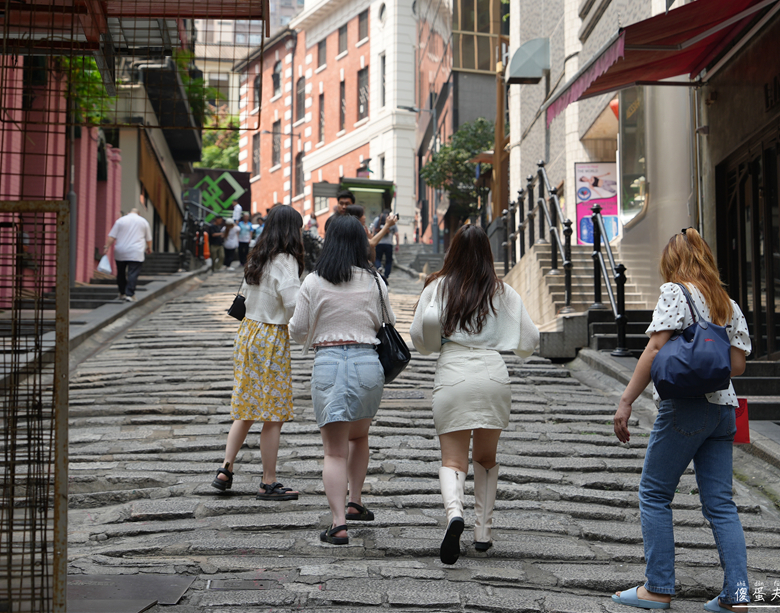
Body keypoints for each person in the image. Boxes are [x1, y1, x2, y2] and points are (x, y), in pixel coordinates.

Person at [610, 228, 751, 612]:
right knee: (721, 504)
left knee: (654, 494)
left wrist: (625, 402)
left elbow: (655, 348)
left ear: (672, 262)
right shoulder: (728, 305)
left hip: (685, 407)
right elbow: (736, 365)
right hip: (724, 411)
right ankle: (736, 595)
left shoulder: (676, 292)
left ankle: (657, 588)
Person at [409, 224, 538, 565]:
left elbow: (419, 339)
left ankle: (455, 514)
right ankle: (483, 532)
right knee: (486, 457)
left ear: (452, 252)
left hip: (453, 373)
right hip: (493, 374)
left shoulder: (437, 287)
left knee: (453, 460)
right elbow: (530, 341)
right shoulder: (502, 291)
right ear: (487, 253)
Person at [289, 215, 390, 545]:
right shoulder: (375, 281)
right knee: (359, 438)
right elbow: (387, 322)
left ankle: (338, 523)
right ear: (362, 242)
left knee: (333, 452)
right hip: (367, 364)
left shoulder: (314, 281)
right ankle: (356, 501)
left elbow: (298, 329)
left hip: (329, 364)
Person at [211, 205, 305, 501]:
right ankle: (268, 481)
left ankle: (225, 469)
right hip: (270, 335)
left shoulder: (257, 255)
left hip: (248, 332)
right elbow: (293, 304)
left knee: (247, 406)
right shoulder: (286, 260)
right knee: (273, 414)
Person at [103, 208, 152, 302]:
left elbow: (112, 236)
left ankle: (122, 293)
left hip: (121, 251)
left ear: (128, 212)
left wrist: (106, 247)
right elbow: (148, 238)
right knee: (132, 273)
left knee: (120, 273)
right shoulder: (143, 221)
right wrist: (149, 248)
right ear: (139, 214)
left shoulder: (120, 221)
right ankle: (130, 294)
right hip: (136, 251)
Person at [371, 211, 398, 283]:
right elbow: (396, 234)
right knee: (389, 261)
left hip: (379, 243)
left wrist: (372, 239)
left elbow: (373, 230)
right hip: (389, 244)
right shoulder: (392, 221)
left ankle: (379, 267)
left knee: (377, 258)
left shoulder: (377, 219)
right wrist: (397, 244)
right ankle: (386, 276)